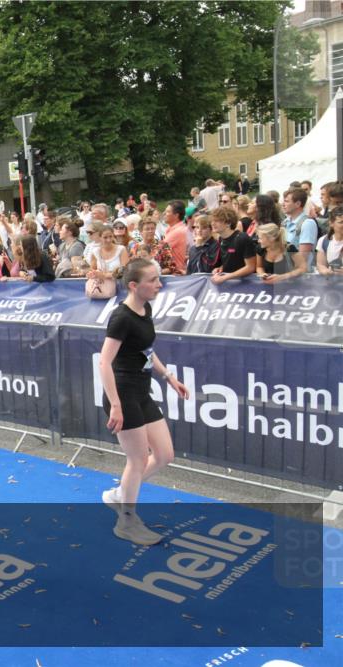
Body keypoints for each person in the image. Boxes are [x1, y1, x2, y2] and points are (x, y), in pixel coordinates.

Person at [98, 259, 190, 545]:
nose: (159, 284)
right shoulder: (121, 317)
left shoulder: (145, 308)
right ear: (134, 286)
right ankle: (126, 522)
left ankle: (120, 493)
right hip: (123, 394)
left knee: (164, 454)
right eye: (153, 280)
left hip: (142, 391)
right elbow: (104, 362)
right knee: (137, 460)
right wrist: (115, 404)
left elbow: (146, 350)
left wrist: (168, 377)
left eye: (158, 279)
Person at [211, 206, 257, 284]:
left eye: (217, 221)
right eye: (212, 220)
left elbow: (250, 267)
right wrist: (220, 268)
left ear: (228, 223)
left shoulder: (242, 238)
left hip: (245, 285)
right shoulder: (221, 239)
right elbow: (230, 261)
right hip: (229, 284)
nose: (213, 223)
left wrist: (226, 277)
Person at [316, 205, 343, 276]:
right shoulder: (324, 241)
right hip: (332, 284)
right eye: (341, 222)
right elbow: (320, 264)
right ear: (331, 223)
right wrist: (325, 271)